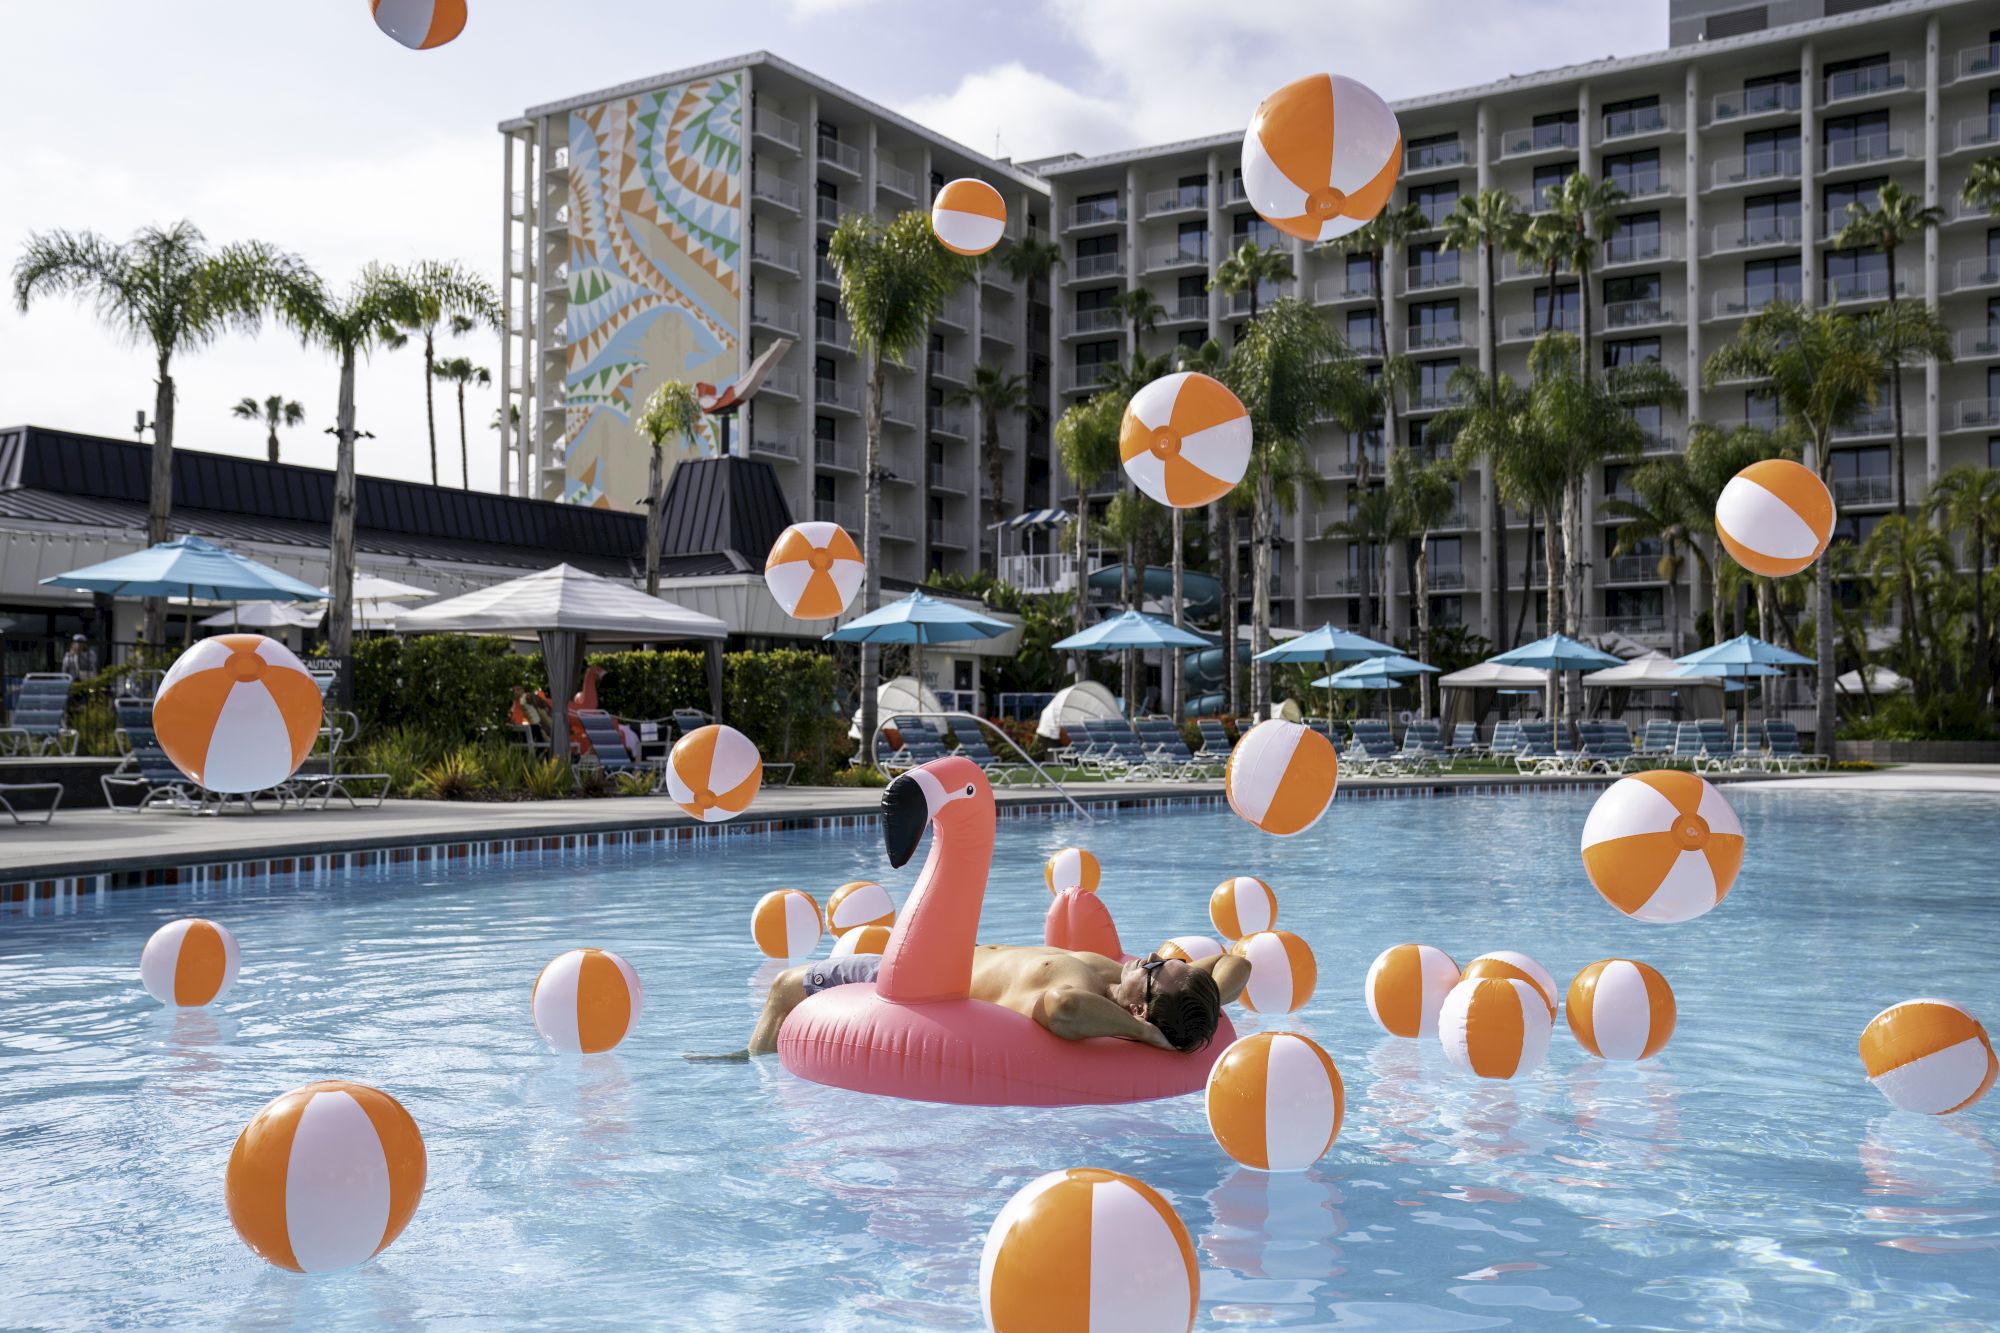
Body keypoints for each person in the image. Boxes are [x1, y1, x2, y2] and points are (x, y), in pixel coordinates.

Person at [688, 945, 1247, 1062]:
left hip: (925, 977)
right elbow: (1236, 966)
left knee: (787, 985)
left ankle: (750, 1065)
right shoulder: (1130, 987)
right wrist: (1210, 994)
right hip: (944, 952)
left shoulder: (1084, 999)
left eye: (1152, 967)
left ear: (1144, 1013)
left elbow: (1061, 1010)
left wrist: (1149, 1037)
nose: (1145, 957)